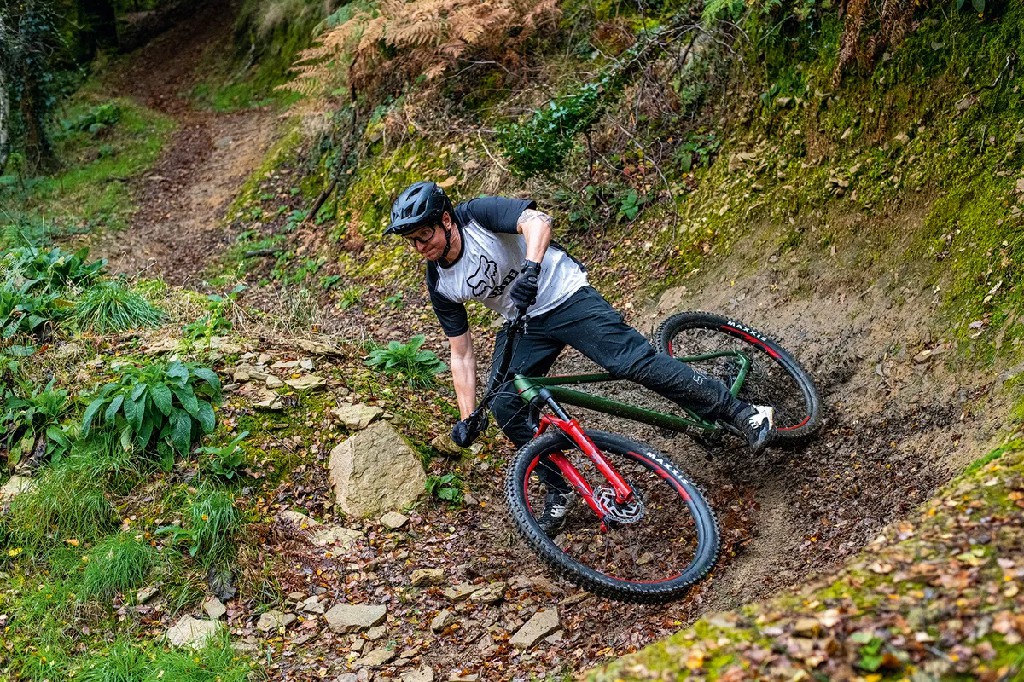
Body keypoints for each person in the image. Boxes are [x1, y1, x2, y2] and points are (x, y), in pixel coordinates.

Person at [385, 180, 774, 532]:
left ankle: (742, 412)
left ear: (447, 220)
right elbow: (462, 353)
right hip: (525, 321)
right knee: (505, 407)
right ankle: (559, 489)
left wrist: (532, 270)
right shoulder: (440, 281)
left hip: (565, 293)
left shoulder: (477, 216)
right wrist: (468, 415)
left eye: (425, 235)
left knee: (630, 362)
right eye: (414, 242)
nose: (422, 248)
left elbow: (537, 221)